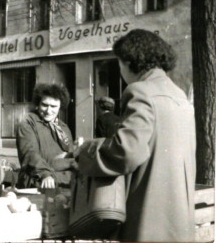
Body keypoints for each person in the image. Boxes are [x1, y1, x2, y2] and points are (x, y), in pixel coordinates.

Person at [75, 29, 196, 242]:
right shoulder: (179, 95)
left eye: (119, 63)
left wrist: (84, 153)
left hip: (149, 218)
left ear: (130, 62)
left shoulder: (140, 91)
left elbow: (126, 152)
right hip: (179, 220)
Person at [16, 84, 77, 189]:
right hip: (37, 182)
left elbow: (69, 156)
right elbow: (29, 153)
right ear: (38, 104)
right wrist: (44, 173)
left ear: (60, 107)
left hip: (61, 182)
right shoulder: (28, 123)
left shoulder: (63, 128)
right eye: (45, 105)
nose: (48, 111)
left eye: (53, 106)